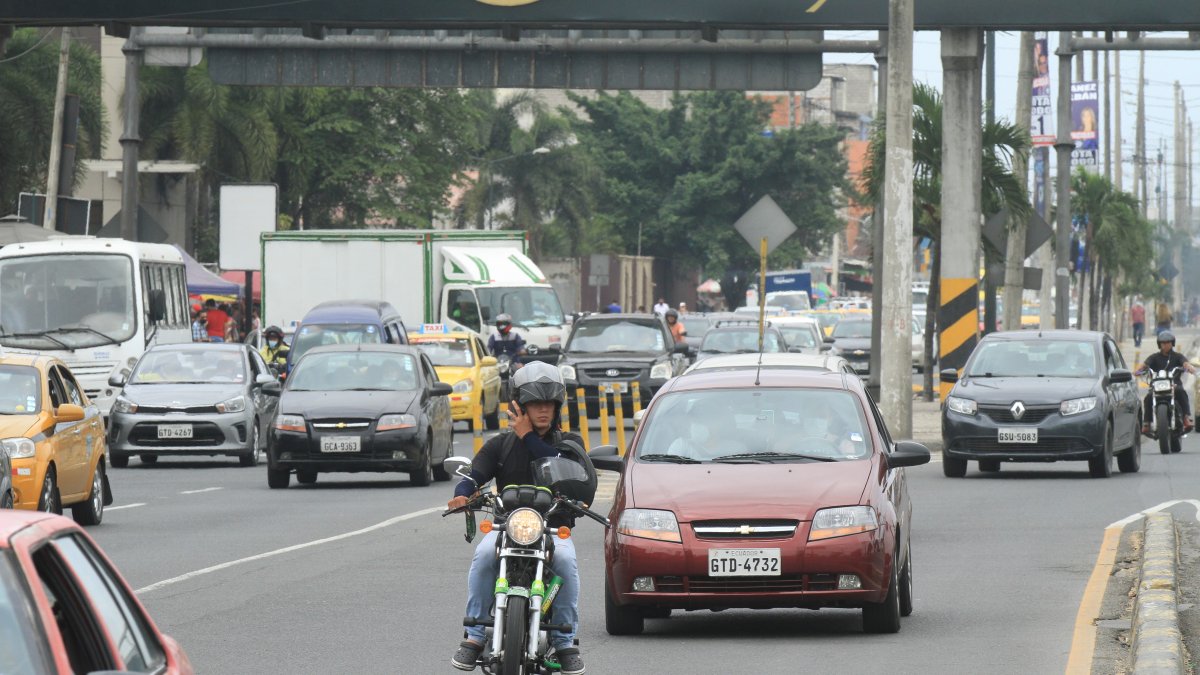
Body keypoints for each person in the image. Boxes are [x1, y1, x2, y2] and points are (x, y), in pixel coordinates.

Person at [447, 362, 590, 675]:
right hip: (506, 527)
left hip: (553, 528)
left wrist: (527, 436)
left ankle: (564, 641)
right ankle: (473, 637)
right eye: (535, 404)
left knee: (565, 560)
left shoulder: (569, 443)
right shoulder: (500, 444)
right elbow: (474, 474)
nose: (542, 410)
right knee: (484, 554)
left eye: (548, 404)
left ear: (557, 407)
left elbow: (558, 466)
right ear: (519, 406)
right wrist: (463, 492)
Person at [1135, 331, 1196, 434]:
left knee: (1181, 392)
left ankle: (1186, 417)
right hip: (1157, 385)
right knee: (1149, 397)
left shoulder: (1177, 356)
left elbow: (1185, 363)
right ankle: (1146, 422)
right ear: (1159, 344)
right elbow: (1145, 365)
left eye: (1168, 342)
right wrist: (1138, 371)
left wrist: (1189, 367)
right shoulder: (1154, 357)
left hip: (1173, 384)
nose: (1166, 344)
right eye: (1163, 343)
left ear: (1172, 343)